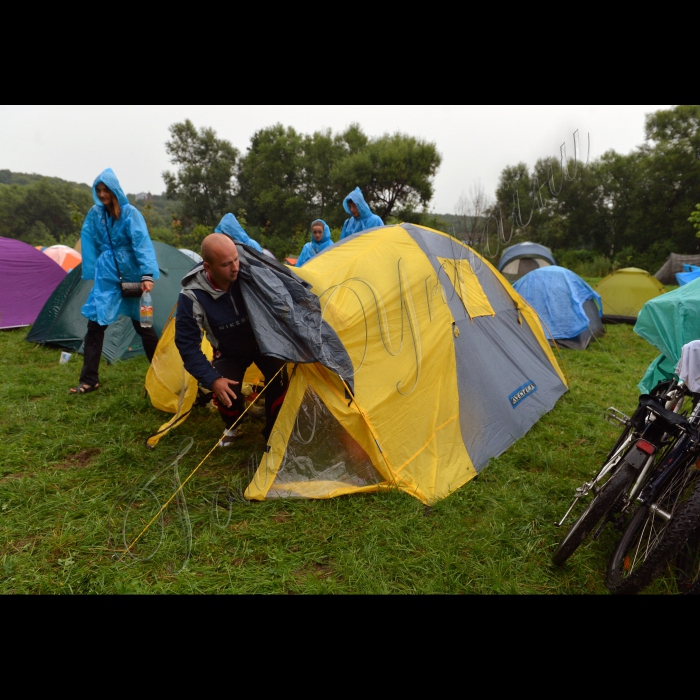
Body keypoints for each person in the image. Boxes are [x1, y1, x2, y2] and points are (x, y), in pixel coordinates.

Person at [174, 234, 287, 446]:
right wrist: (212, 380)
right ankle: (234, 425)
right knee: (227, 394)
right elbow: (187, 346)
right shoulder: (191, 297)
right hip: (228, 351)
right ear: (208, 267)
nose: (235, 267)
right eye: (227, 264)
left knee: (280, 379)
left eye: (236, 259)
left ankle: (274, 432)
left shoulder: (248, 273)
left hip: (263, 343)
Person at [69, 168, 159, 394]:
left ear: (114, 191)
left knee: (143, 327)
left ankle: (162, 375)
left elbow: (141, 242)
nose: (101, 195)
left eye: (105, 190)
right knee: (95, 324)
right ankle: (89, 379)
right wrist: (94, 268)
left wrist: (147, 275)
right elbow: (88, 238)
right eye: (98, 190)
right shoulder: (94, 214)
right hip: (107, 275)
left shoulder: (130, 214)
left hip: (131, 272)